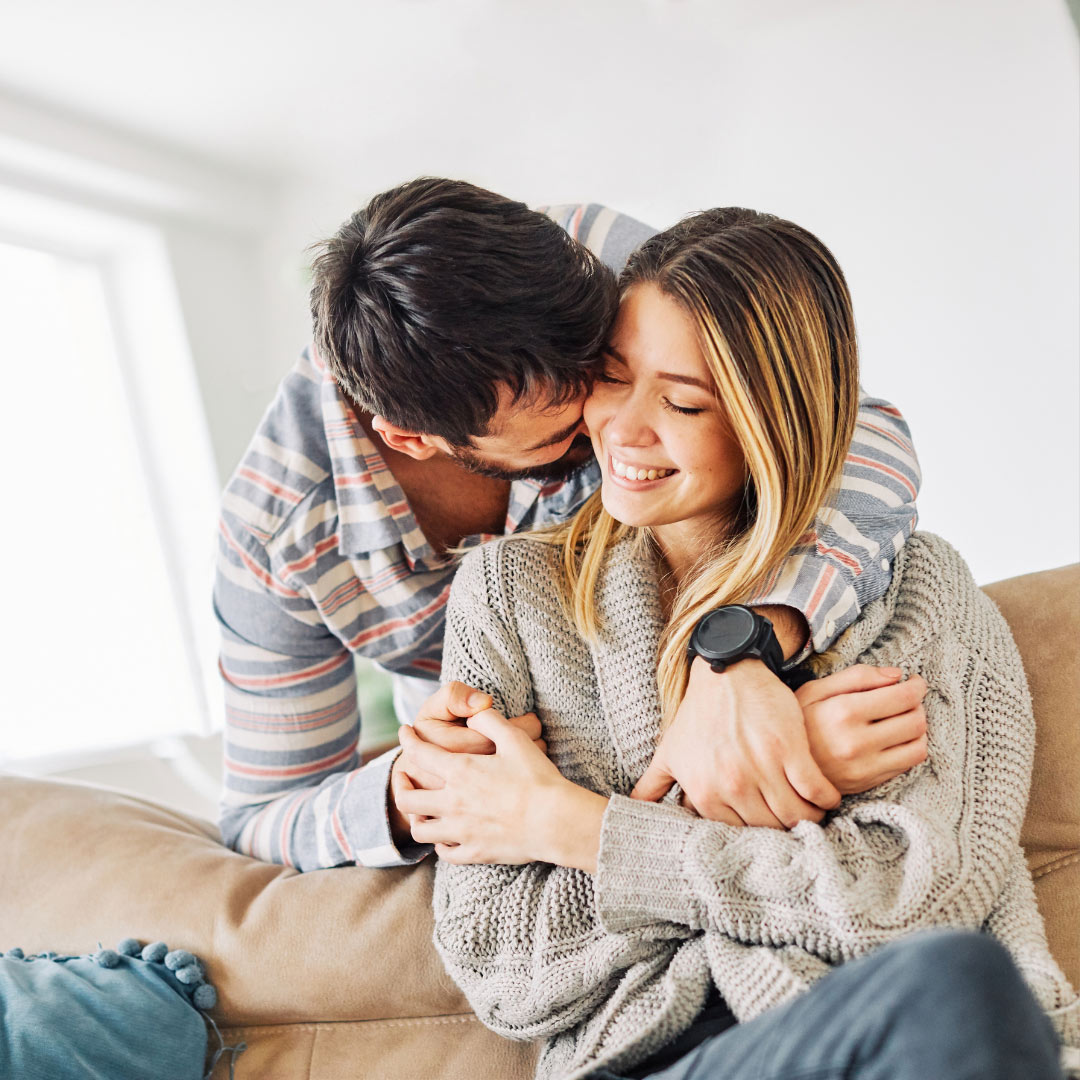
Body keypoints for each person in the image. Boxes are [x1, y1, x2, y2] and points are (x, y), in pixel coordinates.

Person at [395, 208, 1079, 1079]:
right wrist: (762, 805)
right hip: (649, 1064)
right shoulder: (509, 597)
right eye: (610, 378)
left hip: (900, 1040)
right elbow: (504, 965)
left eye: (683, 401)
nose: (626, 430)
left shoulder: (918, 594)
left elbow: (914, 901)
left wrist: (568, 824)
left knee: (955, 986)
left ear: (774, 418)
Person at [214, 178, 922, 873]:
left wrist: (739, 646)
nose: (608, 423)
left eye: (605, 369)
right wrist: (415, 792)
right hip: (517, 807)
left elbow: (841, 423)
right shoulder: (276, 536)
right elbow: (259, 816)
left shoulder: (580, 261)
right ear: (412, 440)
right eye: (562, 429)